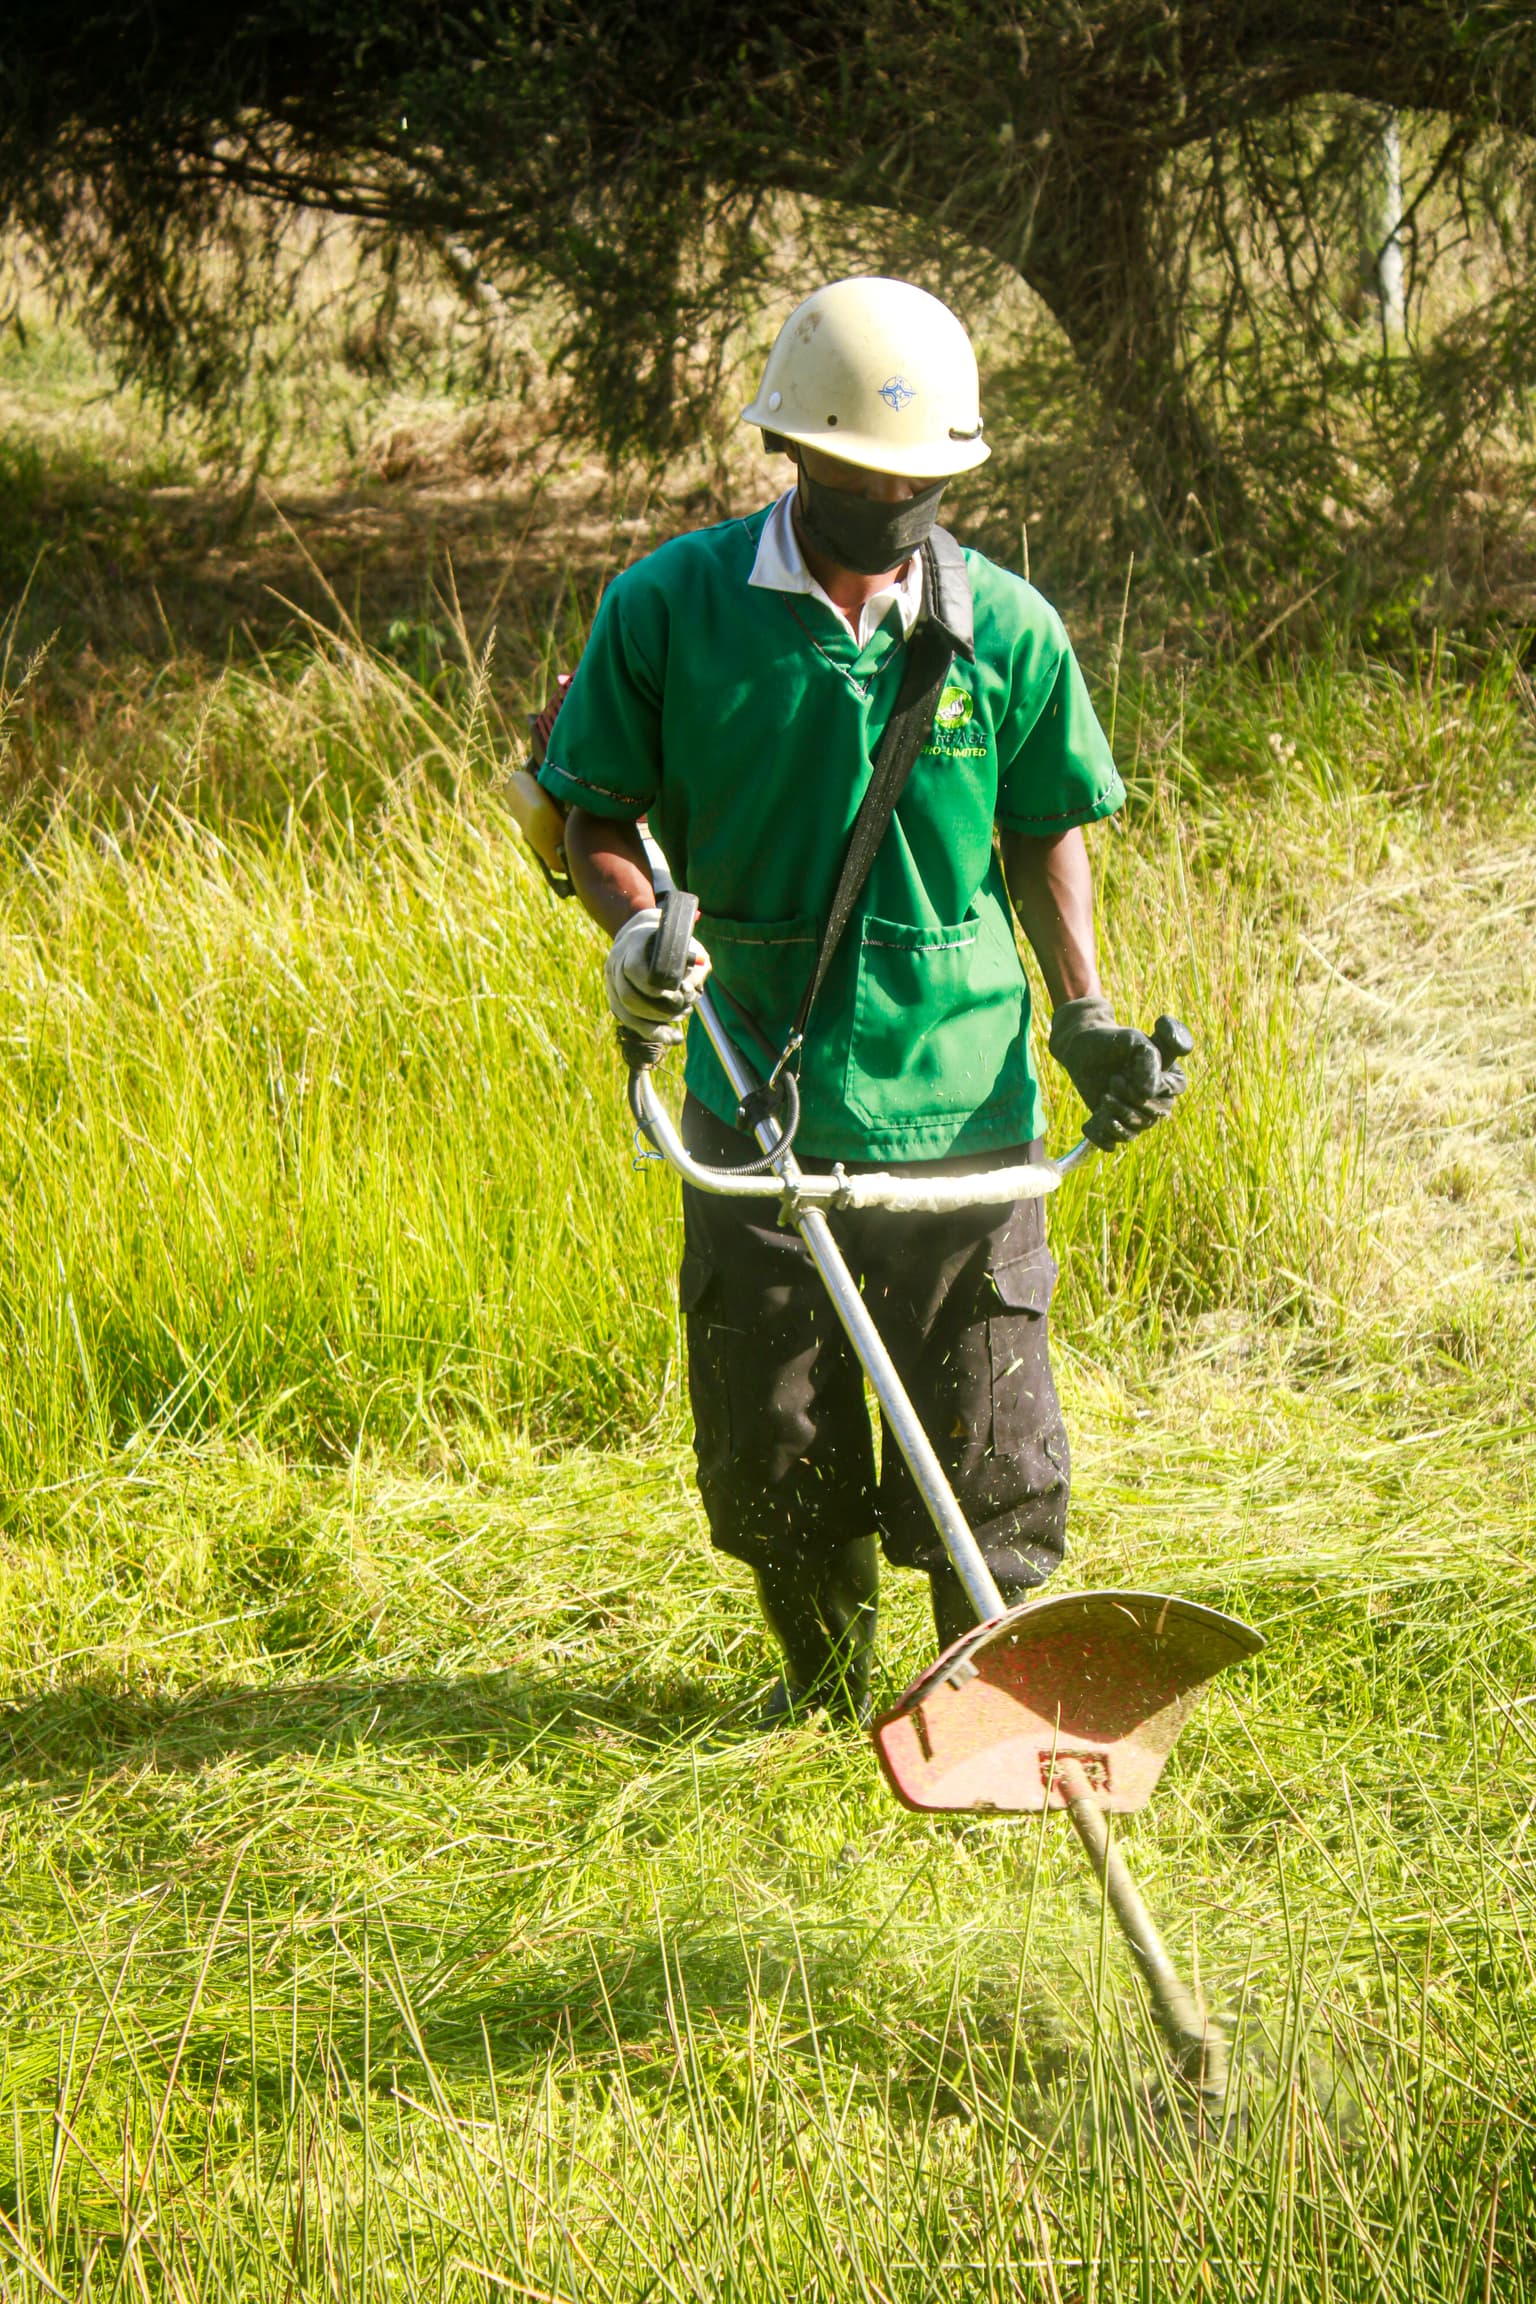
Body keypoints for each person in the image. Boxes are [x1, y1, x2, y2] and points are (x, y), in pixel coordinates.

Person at [536, 277, 1185, 1725]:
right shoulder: (672, 607)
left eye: (923, 478)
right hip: (755, 1080)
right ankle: (825, 1695)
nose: (896, 495)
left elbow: (1045, 825)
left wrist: (1087, 1012)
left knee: (993, 1440)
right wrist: (642, 939)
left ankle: (992, 1717)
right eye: (863, 471)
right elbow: (590, 812)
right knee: (778, 1437)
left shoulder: (1005, 629)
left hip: (966, 1098)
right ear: (795, 454)